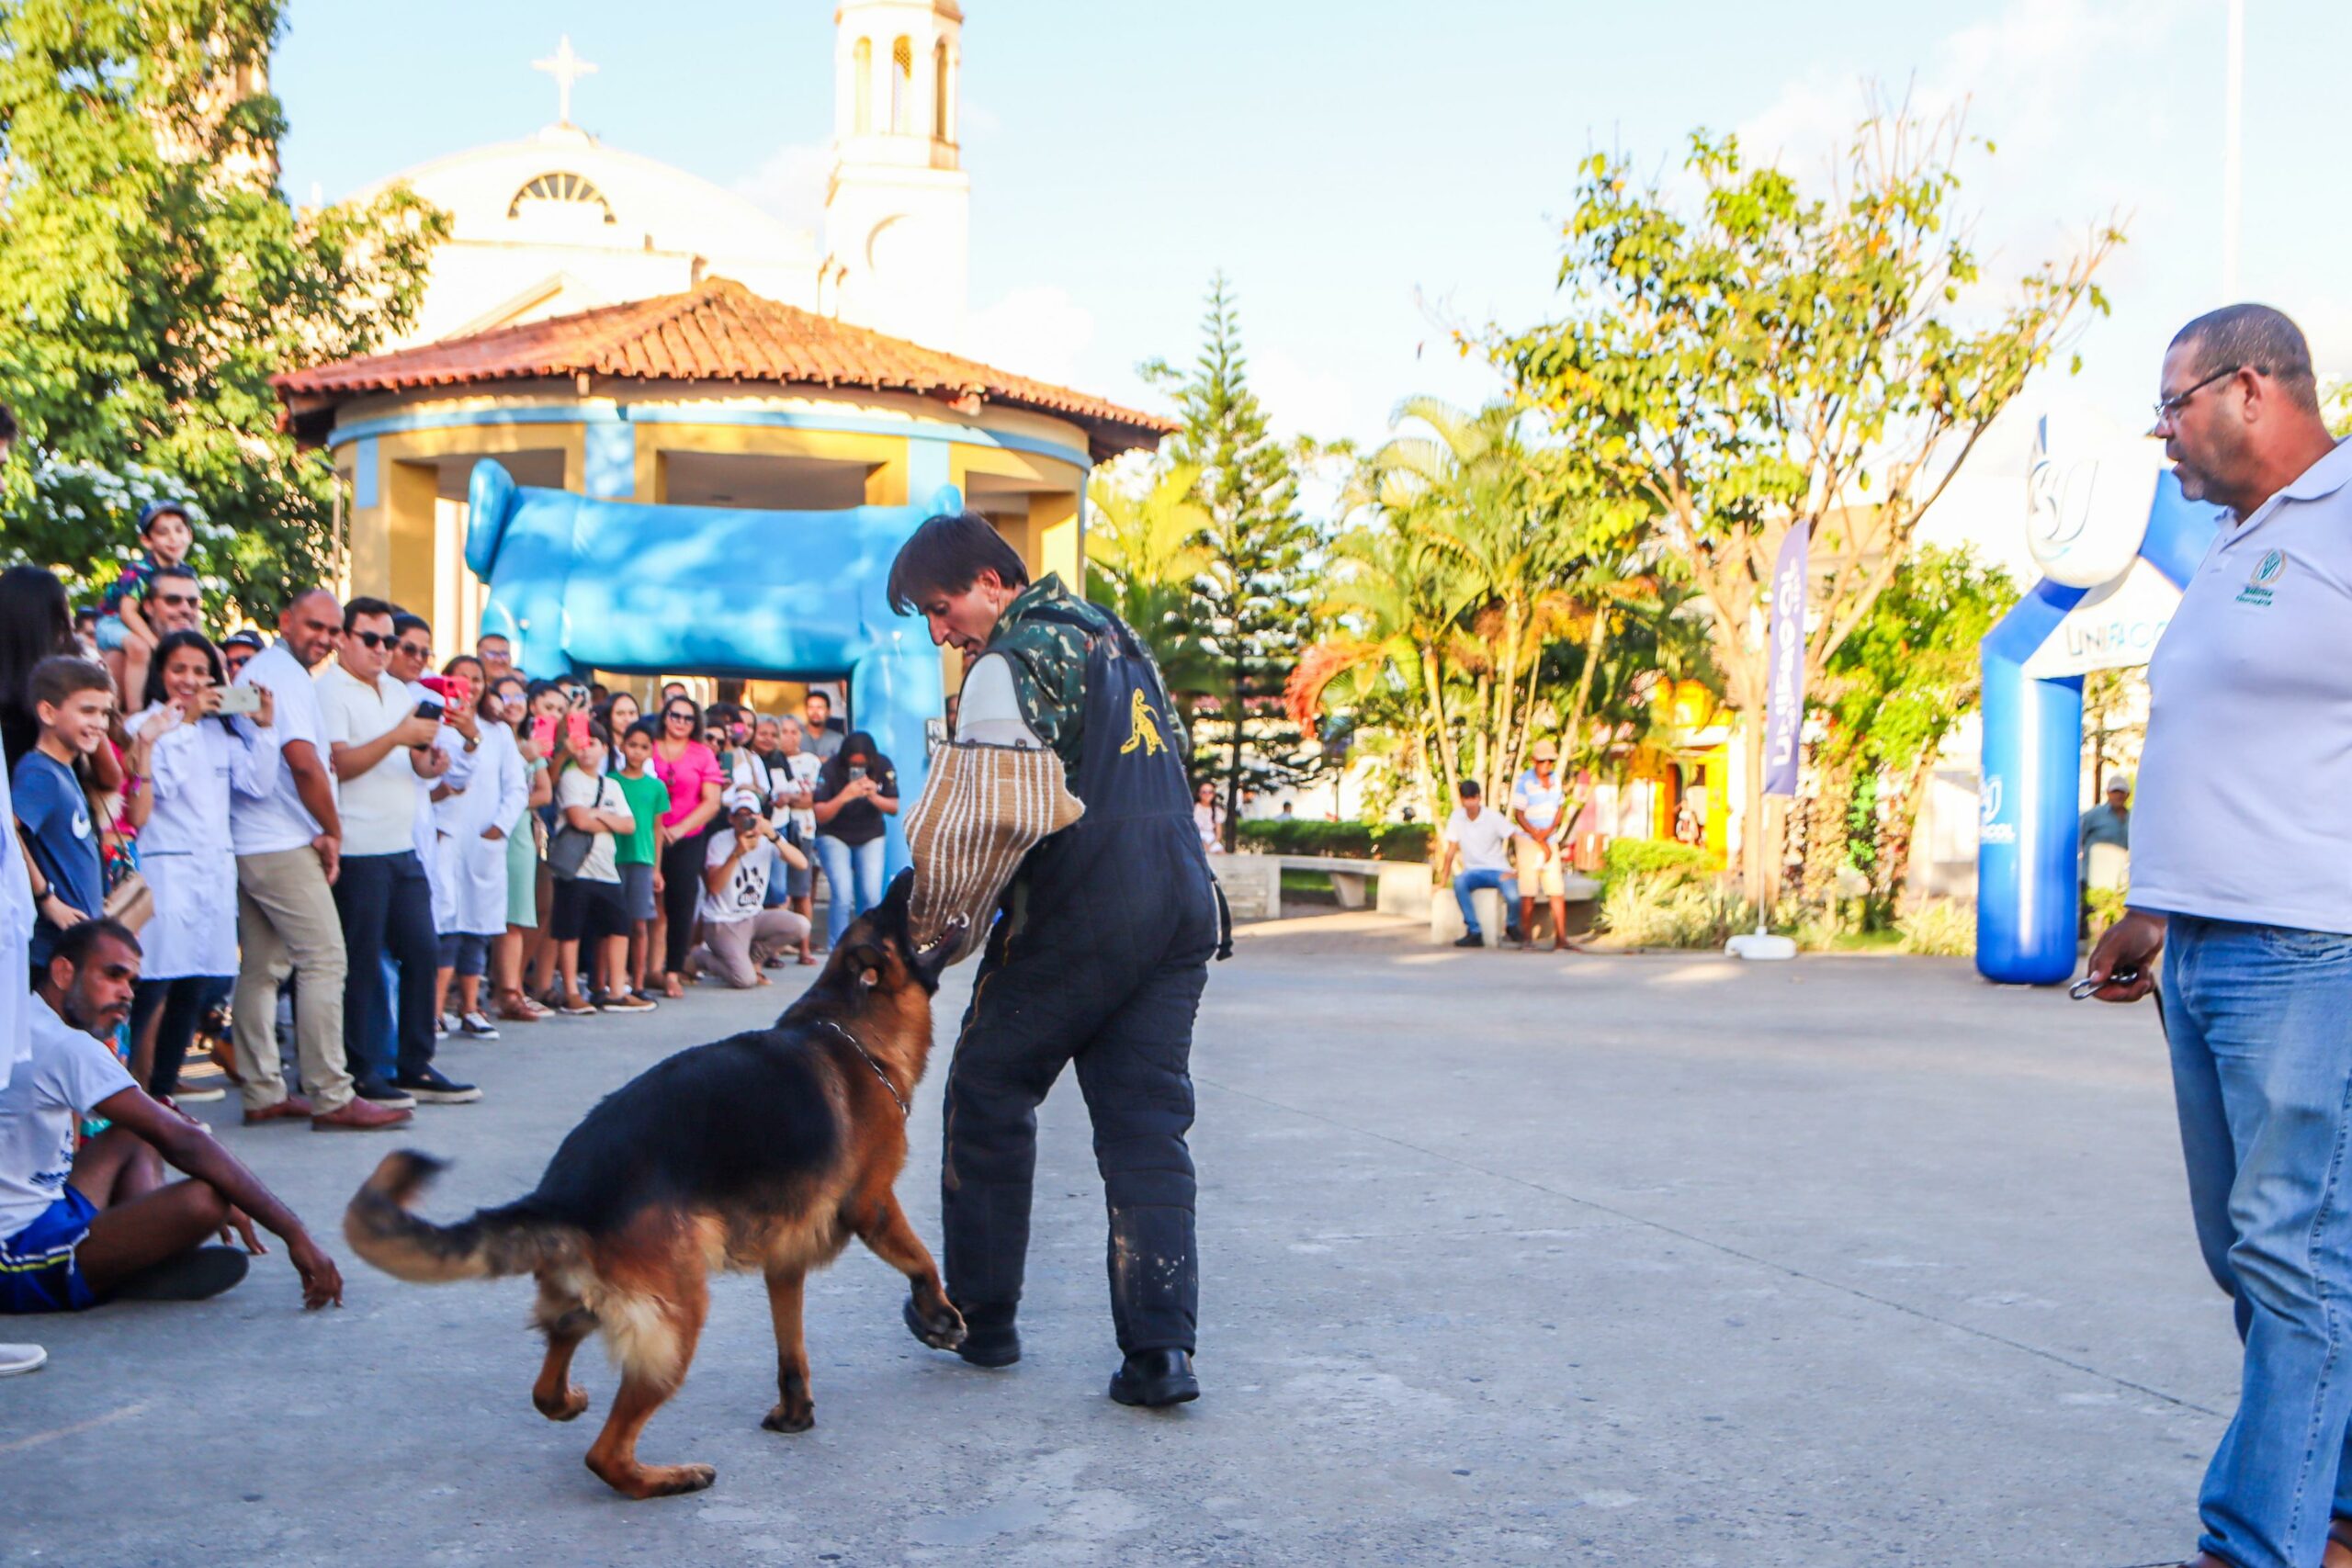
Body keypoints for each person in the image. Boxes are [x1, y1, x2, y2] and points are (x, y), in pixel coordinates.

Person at [2085, 304, 2352, 1568]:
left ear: (2252, 388)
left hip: (2311, 950)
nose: (2163, 436)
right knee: (2251, 1258)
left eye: (2173, 405)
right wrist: (2152, 908)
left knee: (2292, 1256)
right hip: (2204, 952)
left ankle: (2257, 1543)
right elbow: (2221, 753)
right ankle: (2339, 1501)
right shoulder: (2242, 544)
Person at [888, 508, 1220, 1408]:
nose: (940, 629)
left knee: (989, 1088)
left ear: (993, 583)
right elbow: (1176, 763)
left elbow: (988, 818)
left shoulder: (1010, 660)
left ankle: (981, 1318)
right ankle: (1161, 1354)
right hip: (1181, 900)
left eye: (942, 603)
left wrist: (940, 929)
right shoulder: (1119, 640)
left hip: (1082, 902)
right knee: (1146, 1123)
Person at [0, 919, 342, 1315]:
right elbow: (184, 1142)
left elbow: (161, 1125)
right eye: (113, 975)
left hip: (44, 1210)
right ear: (63, 972)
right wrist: (294, 1232)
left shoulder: (26, 1019)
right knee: (205, 1199)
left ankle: (133, 1259)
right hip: (14, 1253)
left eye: (131, 983)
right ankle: (127, 1266)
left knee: (140, 1129)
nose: (126, 993)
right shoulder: (65, 1045)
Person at [229, 590, 403, 1132]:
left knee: (263, 968)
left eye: (332, 629)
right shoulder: (283, 674)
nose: (324, 639)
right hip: (280, 840)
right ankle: (332, 1094)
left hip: (253, 837)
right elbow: (304, 764)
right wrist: (331, 828)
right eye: (314, 626)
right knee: (326, 959)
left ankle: (263, 1091)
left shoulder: (257, 671)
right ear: (285, 622)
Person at [315, 597, 476, 1107]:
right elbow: (339, 764)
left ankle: (414, 1062)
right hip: (357, 846)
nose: (382, 650)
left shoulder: (396, 691)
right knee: (362, 962)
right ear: (343, 637)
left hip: (402, 844)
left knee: (423, 950)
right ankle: (364, 1070)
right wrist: (398, 738)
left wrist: (431, 760)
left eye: (389, 641)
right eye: (372, 639)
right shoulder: (328, 691)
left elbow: (415, 767)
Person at [123, 632, 277, 1103]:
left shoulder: (222, 728)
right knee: (151, 987)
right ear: (160, 673)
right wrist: (185, 722)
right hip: (165, 873)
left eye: (200, 671)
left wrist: (264, 727)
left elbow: (258, 782)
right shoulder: (144, 726)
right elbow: (158, 789)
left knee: (194, 987)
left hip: (212, 872)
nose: (189, 680)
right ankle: (133, 1094)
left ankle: (164, 1093)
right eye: (178, 670)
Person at [434, 660, 525, 1040]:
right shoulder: (434, 724)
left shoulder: (498, 732)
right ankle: (435, 1010)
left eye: (477, 679)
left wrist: (498, 828)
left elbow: (516, 786)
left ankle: (471, 1007)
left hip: (483, 839)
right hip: (443, 835)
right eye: (461, 678)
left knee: (478, 925)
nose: (469, 686)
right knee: (445, 923)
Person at [12, 658, 111, 972]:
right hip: (51, 951)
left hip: (76, 943)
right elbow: (7, 832)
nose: (100, 723)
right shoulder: (41, 775)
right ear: (48, 712)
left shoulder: (63, 770)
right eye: (87, 711)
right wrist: (46, 898)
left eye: (104, 712)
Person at [547, 719, 645, 1013]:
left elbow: (629, 825)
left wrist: (597, 815)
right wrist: (606, 819)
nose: (587, 749)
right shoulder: (570, 778)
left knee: (618, 926)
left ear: (605, 748)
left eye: (593, 743)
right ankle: (572, 992)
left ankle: (616, 991)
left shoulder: (611, 784)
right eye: (582, 742)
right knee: (570, 930)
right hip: (575, 868)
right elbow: (578, 819)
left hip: (606, 869)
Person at [684, 786, 809, 987]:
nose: (746, 821)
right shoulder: (720, 841)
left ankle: (752, 959)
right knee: (744, 980)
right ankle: (701, 957)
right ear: (731, 819)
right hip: (723, 920)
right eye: (740, 815)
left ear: (759, 816)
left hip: (752, 915)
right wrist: (736, 853)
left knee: (801, 925)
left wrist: (774, 836)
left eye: (750, 815)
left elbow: (802, 863)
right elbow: (714, 887)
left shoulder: (767, 838)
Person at [489, 673, 554, 1023]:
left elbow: (545, 792)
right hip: (488, 830)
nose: (513, 702)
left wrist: (515, 801)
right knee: (488, 914)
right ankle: (478, 993)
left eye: (519, 696)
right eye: (505, 695)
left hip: (520, 834)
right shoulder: (484, 737)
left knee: (517, 916)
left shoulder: (531, 744)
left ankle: (511, 991)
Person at [649, 694, 723, 998]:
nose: (680, 722)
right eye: (675, 715)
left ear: (696, 723)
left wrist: (678, 829)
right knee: (645, 903)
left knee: (681, 904)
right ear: (665, 716)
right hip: (645, 836)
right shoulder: (648, 746)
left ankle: (672, 971)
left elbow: (712, 802)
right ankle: (642, 969)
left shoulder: (702, 753)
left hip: (686, 838)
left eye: (687, 717)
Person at [96, 501, 195, 716]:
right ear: (147, 541)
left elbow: (195, 615)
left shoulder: (187, 572)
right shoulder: (140, 570)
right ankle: (134, 712)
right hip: (112, 622)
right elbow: (127, 612)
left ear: (189, 535)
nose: (173, 538)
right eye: (163, 532)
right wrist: (157, 645)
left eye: (179, 530)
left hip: (139, 624)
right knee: (139, 648)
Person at [811, 730, 899, 948]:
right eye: (853, 764)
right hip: (834, 834)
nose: (857, 768)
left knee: (871, 894)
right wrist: (844, 796)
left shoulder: (883, 765)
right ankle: (838, 949)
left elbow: (894, 807)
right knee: (842, 893)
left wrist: (873, 795)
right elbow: (820, 814)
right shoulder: (830, 768)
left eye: (862, 764)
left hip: (870, 834)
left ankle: (870, 945)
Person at [609, 719, 669, 1000]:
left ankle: (640, 982)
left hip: (642, 858)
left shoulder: (656, 787)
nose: (636, 751)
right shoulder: (610, 780)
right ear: (622, 746)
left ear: (650, 751)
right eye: (632, 745)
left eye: (643, 747)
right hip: (611, 857)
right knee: (612, 923)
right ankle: (611, 980)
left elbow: (658, 829)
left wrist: (657, 868)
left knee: (640, 923)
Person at [1436, 779, 1516, 949]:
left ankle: (1512, 925)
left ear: (1479, 798)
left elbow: (1516, 837)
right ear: (1462, 799)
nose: (1470, 803)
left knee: (1513, 896)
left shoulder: (1493, 817)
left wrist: (1518, 870)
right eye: (1467, 799)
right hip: (1473, 871)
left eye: (1474, 798)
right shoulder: (1457, 817)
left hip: (1498, 869)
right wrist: (1443, 880)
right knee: (1460, 882)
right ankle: (1474, 930)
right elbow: (1450, 851)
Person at [1511, 740, 1575, 953]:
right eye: (1543, 761)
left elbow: (1559, 809)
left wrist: (1548, 834)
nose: (1547, 765)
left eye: (1550, 761)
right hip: (1529, 838)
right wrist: (1538, 837)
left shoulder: (1556, 780)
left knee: (1556, 889)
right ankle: (1527, 939)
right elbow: (1519, 815)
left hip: (1549, 837)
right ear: (1534, 762)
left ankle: (1561, 938)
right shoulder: (1525, 782)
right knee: (1528, 890)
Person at [769, 716, 822, 961]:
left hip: (803, 829)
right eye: (784, 732)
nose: (788, 736)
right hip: (777, 829)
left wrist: (786, 797)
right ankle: (773, 950)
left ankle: (804, 948)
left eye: (793, 731)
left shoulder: (810, 762)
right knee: (780, 892)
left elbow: (810, 798)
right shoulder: (772, 760)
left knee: (802, 891)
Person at [2079, 771, 2132, 900]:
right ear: (2108, 793)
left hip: (2118, 885)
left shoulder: (2133, 818)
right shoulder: (2095, 815)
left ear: (2127, 795)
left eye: (2122, 792)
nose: (2118, 796)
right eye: (2115, 792)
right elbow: (2077, 836)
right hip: (2092, 881)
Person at [801, 689, 842, 761]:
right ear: (805, 710)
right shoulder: (796, 736)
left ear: (828, 711)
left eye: (819, 707)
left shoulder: (838, 739)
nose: (815, 712)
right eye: (811, 707)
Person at [1193, 781, 1225, 854]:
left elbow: (1218, 834)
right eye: (1204, 792)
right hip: (1196, 837)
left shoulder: (1217, 811)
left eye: (1210, 792)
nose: (1207, 795)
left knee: (1221, 853)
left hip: (1211, 839)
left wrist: (1210, 845)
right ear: (1199, 793)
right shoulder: (1193, 808)